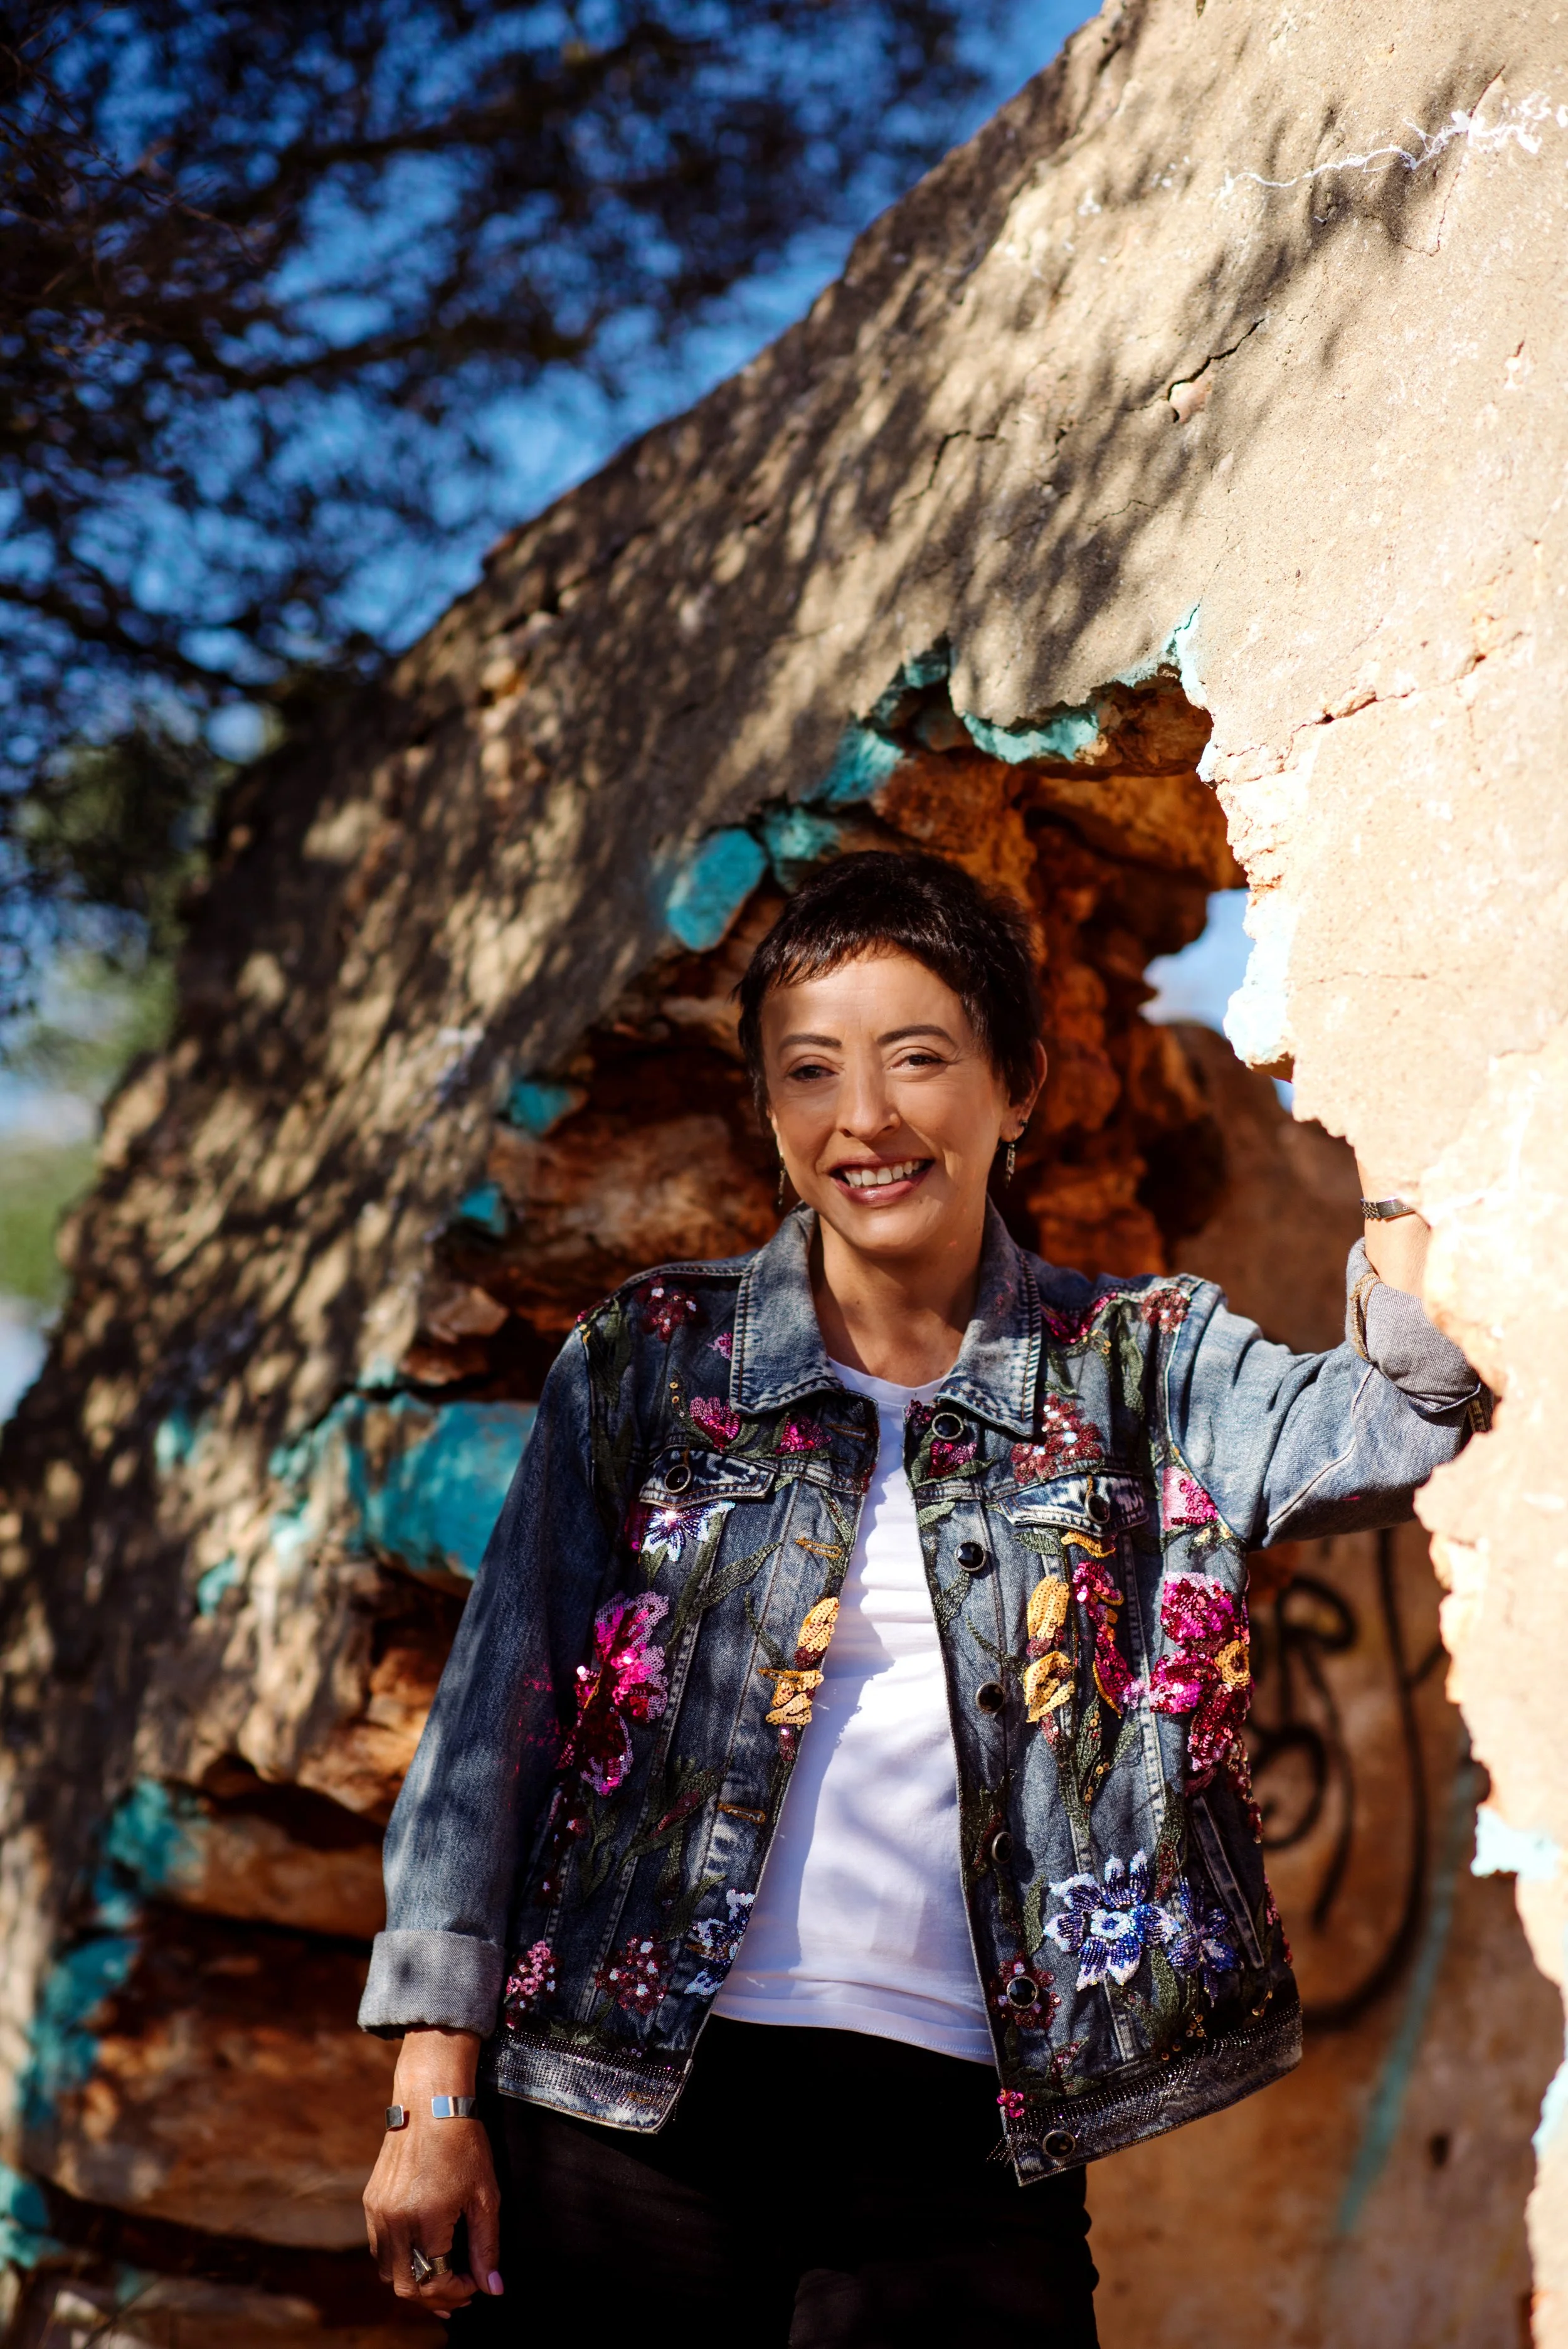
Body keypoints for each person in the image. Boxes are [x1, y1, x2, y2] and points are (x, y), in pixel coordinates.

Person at [359, 851, 1483, 2345]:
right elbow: (493, 1727)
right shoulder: (649, 1359)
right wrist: (432, 2094)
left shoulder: (1137, 1362)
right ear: (768, 1114)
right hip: (620, 2115)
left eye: (915, 1059)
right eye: (810, 1072)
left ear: (1014, 1087)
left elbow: (1391, 1424)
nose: (864, 1119)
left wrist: (1426, 1121)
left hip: (963, 2146)